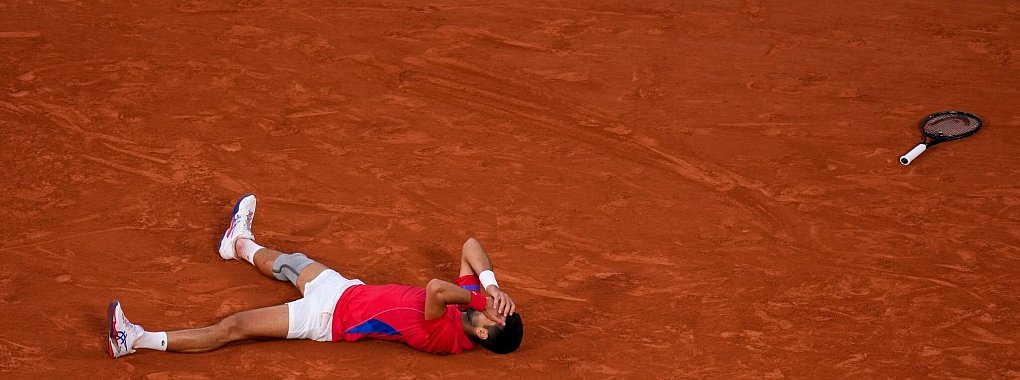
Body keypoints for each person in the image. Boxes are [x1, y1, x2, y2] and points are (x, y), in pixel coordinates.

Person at [107, 193, 522, 357]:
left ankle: (135, 339)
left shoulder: (446, 336)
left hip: (326, 319)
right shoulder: (469, 312)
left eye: (496, 314)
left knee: (233, 327)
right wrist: (492, 285)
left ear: (483, 332)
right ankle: (239, 242)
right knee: (291, 262)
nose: (493, 308)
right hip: (344, 291)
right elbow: (470, 245)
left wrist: (480, 298)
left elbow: (436, 289)